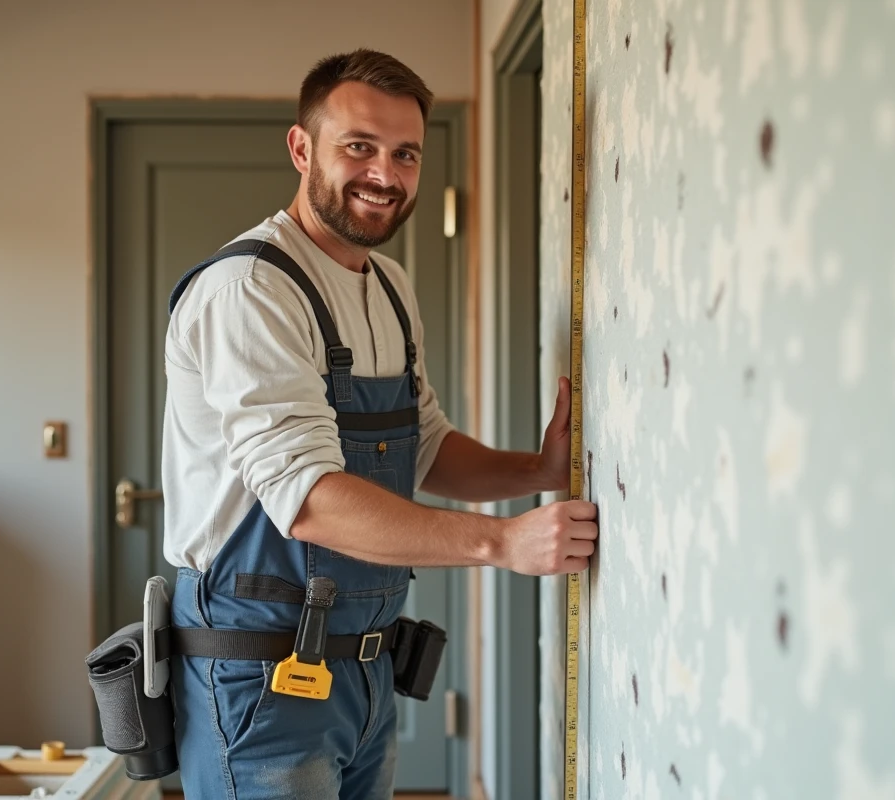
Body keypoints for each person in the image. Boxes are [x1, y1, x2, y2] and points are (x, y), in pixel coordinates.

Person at [161, 48, 599, 799]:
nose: (385, 175)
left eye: (405, 154)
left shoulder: (388, 284)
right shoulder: (250, 289)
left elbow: (421, 444)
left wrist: (535, 471)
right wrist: (501, 541)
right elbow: (307, 500)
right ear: (302, 149)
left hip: (364, 666)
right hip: (262, 675)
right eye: (358, 147)